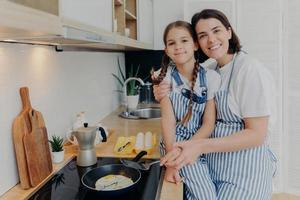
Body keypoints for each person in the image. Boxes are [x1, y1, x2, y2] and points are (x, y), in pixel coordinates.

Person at [155, 9, 277, 200]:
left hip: (245, 168)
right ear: (198, 42)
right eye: (203, 35)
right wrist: (159, 89)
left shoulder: (250, 70)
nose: (211, 40)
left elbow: (257, 134)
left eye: (216, 30)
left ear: (229, 32)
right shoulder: (209, 70)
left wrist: (198, 146)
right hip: (213, 163)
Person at [152, 20, 220, 199]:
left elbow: (208, 123)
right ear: (166, 49)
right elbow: (168, 121)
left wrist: (191, 148)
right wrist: (172, 161)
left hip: (200, 143)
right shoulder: (164, 77)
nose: (178, 47)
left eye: (184, 41)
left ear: (195, 44)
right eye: (171, 43)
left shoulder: (211, 78)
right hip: (173, 145)